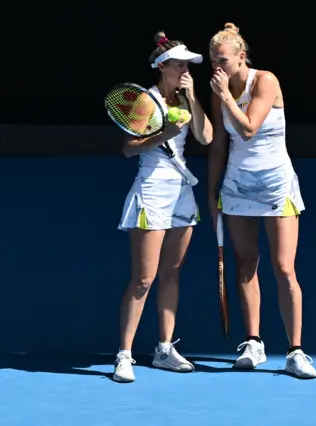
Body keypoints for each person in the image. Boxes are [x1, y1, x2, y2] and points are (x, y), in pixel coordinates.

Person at [207, 22, 316, 379]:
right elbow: (219, 146)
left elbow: (249, 127)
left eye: (223, 60)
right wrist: (213, 193)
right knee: (245, 265)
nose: (217, 68)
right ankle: (253, 343)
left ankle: (296, 351)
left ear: (242, 56)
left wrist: (225, 96)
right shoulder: (217, 88)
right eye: (213, 62)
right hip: (237, 186)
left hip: (275, 186)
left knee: (284, 268)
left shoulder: (265, 81)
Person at [113, 31, 213, 383]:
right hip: (152, 190)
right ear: (162, 67)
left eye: (189, 65)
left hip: (181, 194)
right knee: (143, 279)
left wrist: (192, 97)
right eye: (180, 64)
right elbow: (129, 148)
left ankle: (164, 349)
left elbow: (206, 136)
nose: (186, 69)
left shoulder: (187, 99)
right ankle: (124, 356)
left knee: (172, 275)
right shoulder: (145, 102)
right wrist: (164, 134)